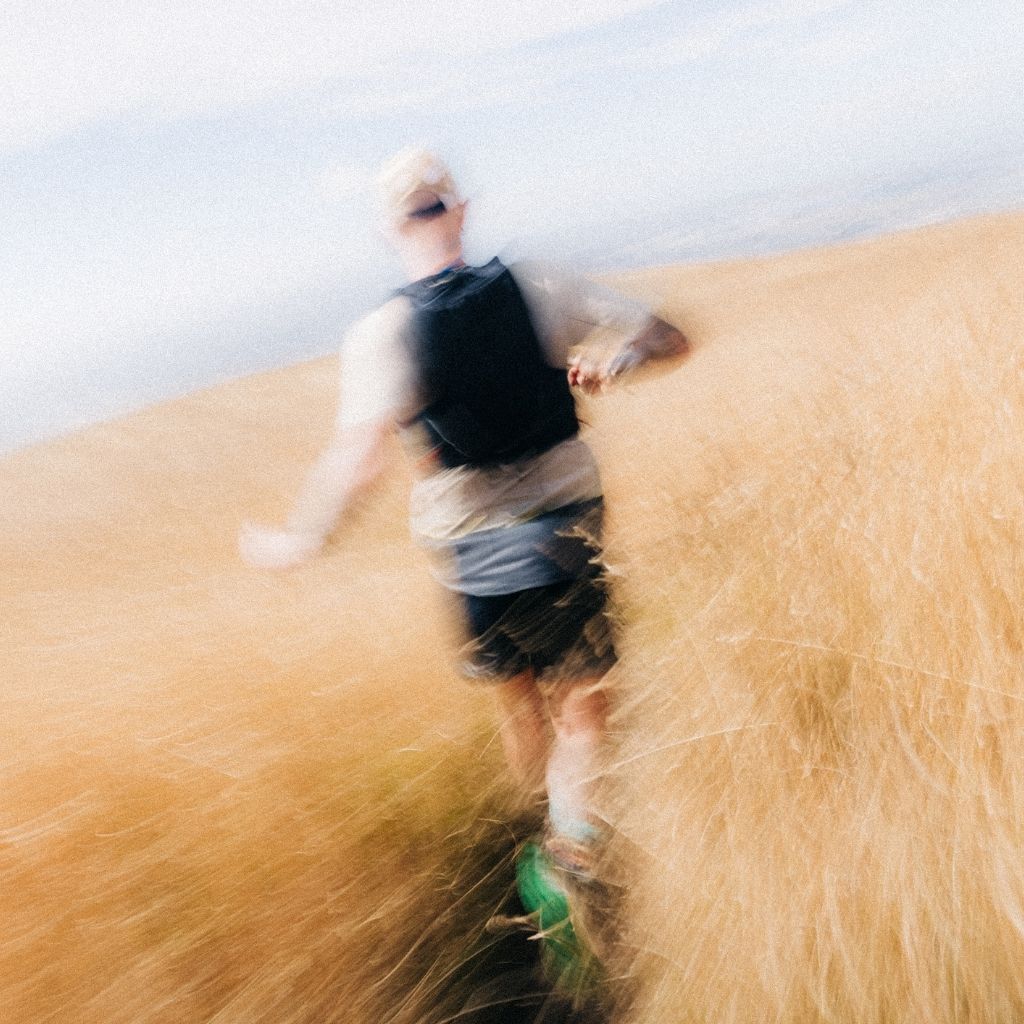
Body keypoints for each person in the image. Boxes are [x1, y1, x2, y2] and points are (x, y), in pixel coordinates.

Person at [240, 148, 688, 873]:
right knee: (583, 711)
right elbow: (668, 337)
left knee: (520, 707)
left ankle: (536, 839)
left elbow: (361, 460)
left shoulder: (383, 332)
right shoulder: (541, 282)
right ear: (461, 210)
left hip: (471, 556)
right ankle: (573, 849)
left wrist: (301, 540)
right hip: (564, 531)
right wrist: (616, 361)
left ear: (389, 230)